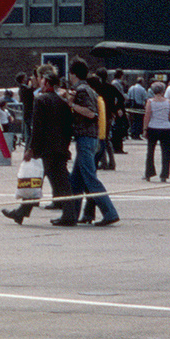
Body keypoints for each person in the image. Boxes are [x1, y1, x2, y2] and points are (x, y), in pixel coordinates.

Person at [5, 67, 75, 225]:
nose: (40, 82)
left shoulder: (40, 100)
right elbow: (68, 127)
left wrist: (31, 149)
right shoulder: (63, 102)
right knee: (62, 183)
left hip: (45, 149)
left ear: (47, 82)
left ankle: (21, 212)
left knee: (35, 180)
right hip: (60, 148)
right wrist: (65, 145)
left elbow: (37, 128)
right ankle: (69, 214)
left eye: (42, 80)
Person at [69, 59, 118, 227]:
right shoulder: (88, 89)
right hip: (90, 138)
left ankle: (109, 212)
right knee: (75, 180)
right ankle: (71, 215)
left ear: (73, 74)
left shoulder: (82, 90)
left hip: (86, 138)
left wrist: (71, 104)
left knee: (90, 178)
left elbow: (90, 113)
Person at [144, 81, 170, 182]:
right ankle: (164, 174)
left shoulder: (150, 102)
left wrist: (145, 129)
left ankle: (149, 172)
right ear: (163, 90)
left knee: (150, 151)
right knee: (166, 152)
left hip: (153, 127)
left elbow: (147, 116)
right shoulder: (168, 102)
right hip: (166, 128)